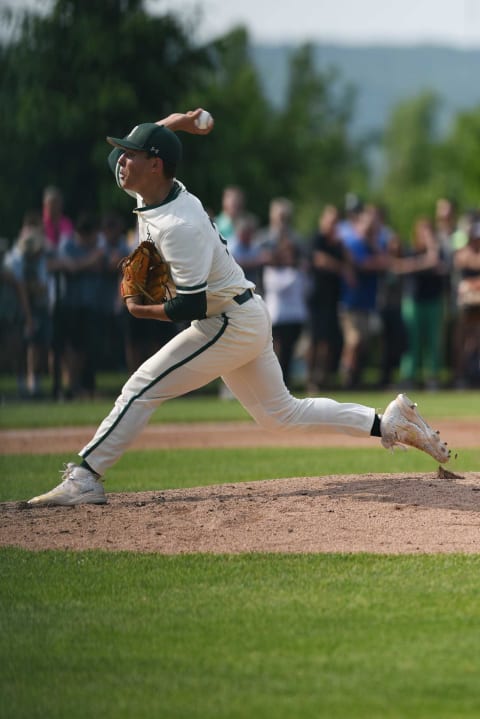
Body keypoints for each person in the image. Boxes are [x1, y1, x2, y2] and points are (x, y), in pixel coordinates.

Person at [27, 109, 449, 507]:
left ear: (155, 165)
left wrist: (142, 310)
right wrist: (175, 123)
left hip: (226, 321)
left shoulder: (179, 225)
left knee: (142, 385)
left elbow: (189, 304)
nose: (121, 162)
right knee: (282, 415)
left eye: (132, 156)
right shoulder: (157, 189)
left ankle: (86, 476)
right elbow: (119, 156)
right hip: (242, 315)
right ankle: (387, 423)